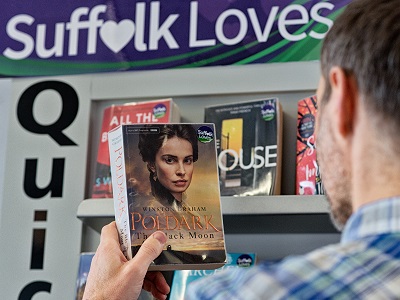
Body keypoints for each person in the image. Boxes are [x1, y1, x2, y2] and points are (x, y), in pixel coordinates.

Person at [84, 0, 400, 298]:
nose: (182, 170)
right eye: (170, 159)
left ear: (343, 105)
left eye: (189, 159)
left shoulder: (244, 293)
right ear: (151, 165)